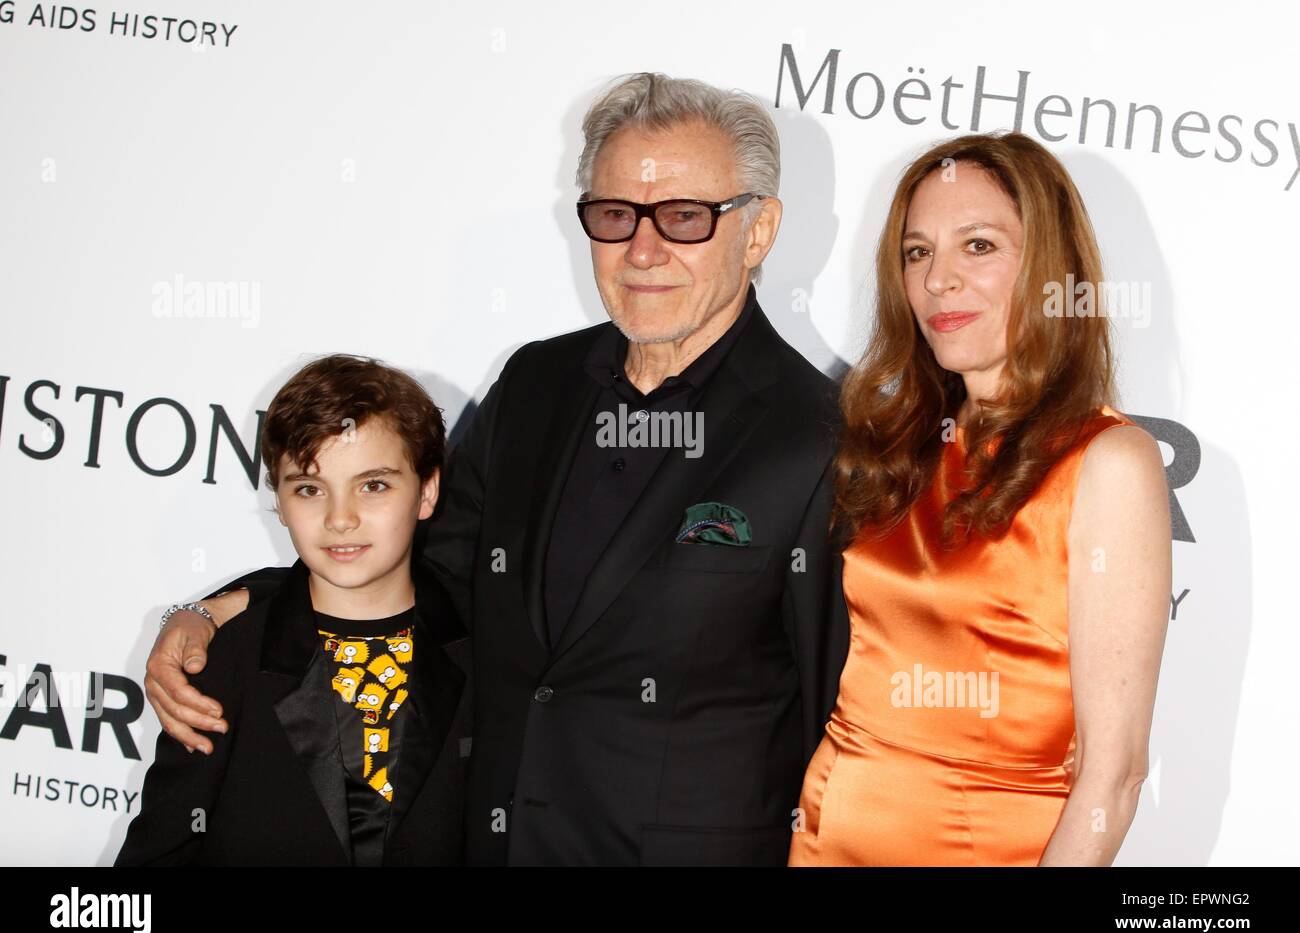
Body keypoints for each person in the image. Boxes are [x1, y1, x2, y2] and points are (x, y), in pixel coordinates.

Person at [140, 73, 849, 865]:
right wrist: (219, 610)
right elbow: (419, 568)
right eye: (615, 216)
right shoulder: (536, 384)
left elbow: (850, 727)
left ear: (758, 232)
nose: (642, 250)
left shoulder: (820, 437)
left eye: (683, 218)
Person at [789, 132, 1171, 866]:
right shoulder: (897, 442)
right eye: (917, 252)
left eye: (979, 246)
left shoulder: (1107, 462)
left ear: (1051, 268)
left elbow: (1114, 775)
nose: (939, 281)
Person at [116, 355, 472, 865]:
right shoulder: (229, 656)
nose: (341, 518)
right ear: (279, 502)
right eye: (309, 488)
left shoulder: (489, 650)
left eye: (374, 485)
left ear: (427, 491)